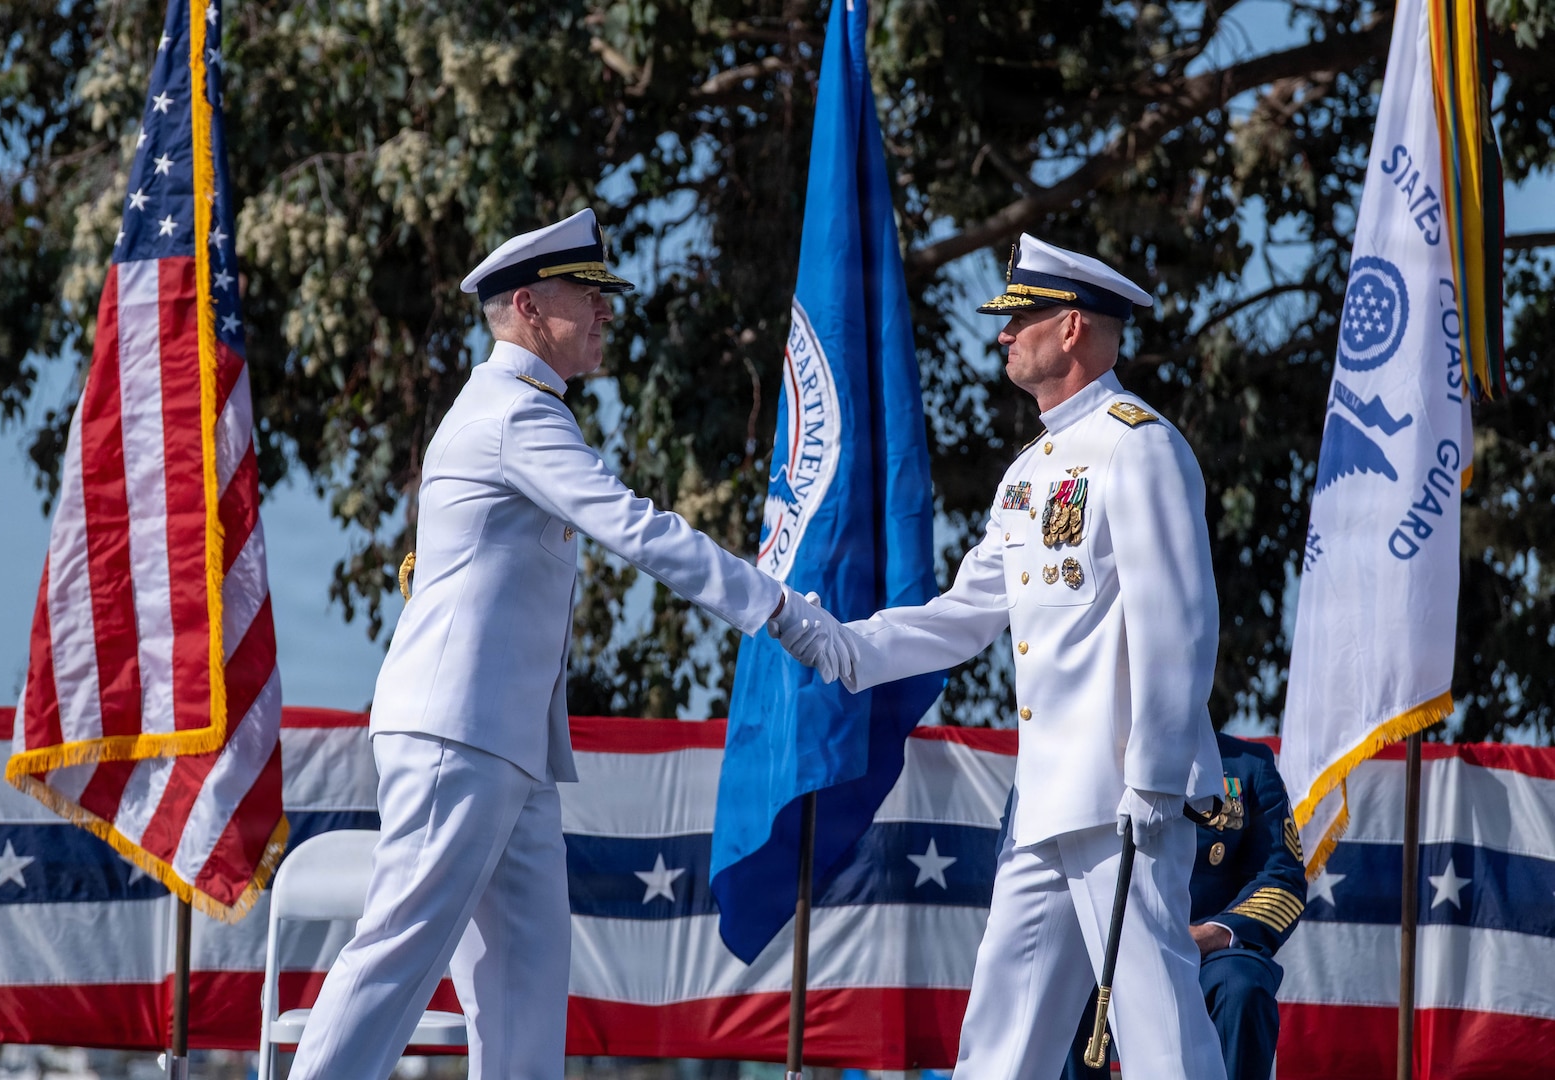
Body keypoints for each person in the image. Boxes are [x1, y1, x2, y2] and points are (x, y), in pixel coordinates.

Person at [286, 208, 849, 1080]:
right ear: (528, 308)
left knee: (523, 985)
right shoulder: (514, 415)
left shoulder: (518, 411)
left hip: (505, 747)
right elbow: (642, 531)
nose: (605, 313)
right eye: (587, 296)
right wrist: (781, 612)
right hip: (459, 734)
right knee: (399, 952)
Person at [781, 234, 1227, 1080]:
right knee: (1001, 1035)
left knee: (1157, 1027)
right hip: (1044, 804)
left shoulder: (1138, 445)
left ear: (1068, 328)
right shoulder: (1030, 472)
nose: (1001, 334)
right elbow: (963, 616)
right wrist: (840, 644)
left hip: (1119, 796)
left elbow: (1180, 626)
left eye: (1017, 318)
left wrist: (1156, 779)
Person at [1062, 731, 1308, 1080]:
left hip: (1207, 955)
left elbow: (1282, 879)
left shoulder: (1248, 766)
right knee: (1067, 983)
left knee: (1240, 986)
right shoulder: (1082, 758)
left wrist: (1213, 934)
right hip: (1108, 947)